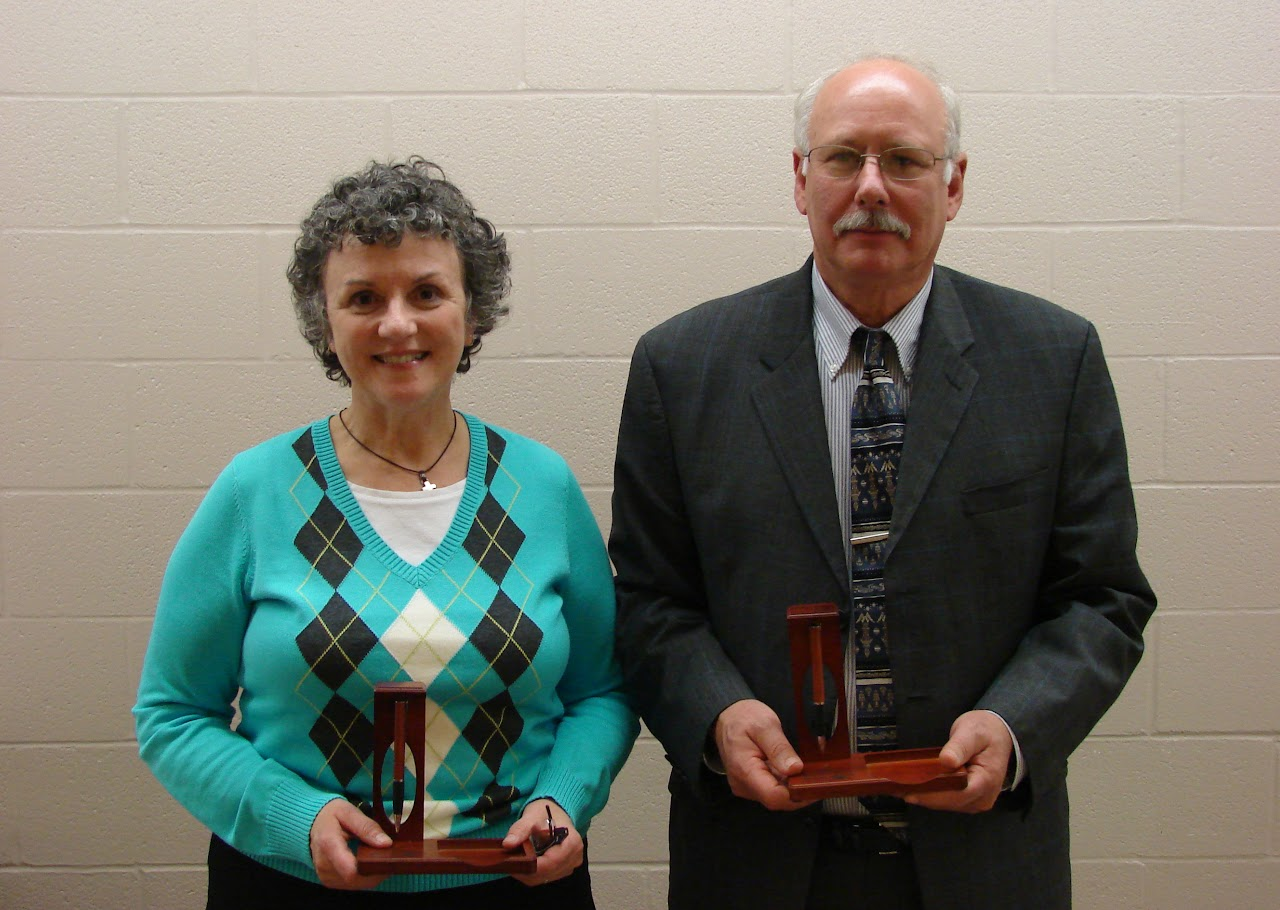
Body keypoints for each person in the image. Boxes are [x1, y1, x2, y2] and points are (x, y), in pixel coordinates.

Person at [609, 55, 1156, 910]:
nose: (871, 187)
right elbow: (648, 600)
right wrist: (715, 715)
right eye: (842, 158)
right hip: (757, 864)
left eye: (903, 160)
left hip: (981, 865)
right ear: (800, 179)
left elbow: (1103, 599)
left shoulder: (1055, 360)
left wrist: (1015, 726)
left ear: (954, 183)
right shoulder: (682, 367)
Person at [135, 158, 637, 909]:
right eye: (364, 297)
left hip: (515, 883)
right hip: (295, 883)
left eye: (427, 293)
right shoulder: (256, 490)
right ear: (324, 320)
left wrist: (566, 798)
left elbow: (603, 689)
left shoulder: (543, 486)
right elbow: (171, 714)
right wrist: (293, 819)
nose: (397, 323)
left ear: (472, 311)